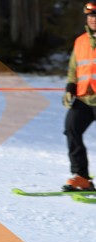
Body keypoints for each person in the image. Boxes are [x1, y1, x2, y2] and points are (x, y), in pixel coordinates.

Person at [62, 2, 96, 191]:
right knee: (71, 129)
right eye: (90, 16)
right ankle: (81, 177)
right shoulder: (80, 41)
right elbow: (74, 69)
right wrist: (70, 89)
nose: (93, 19)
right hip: (84, 98)